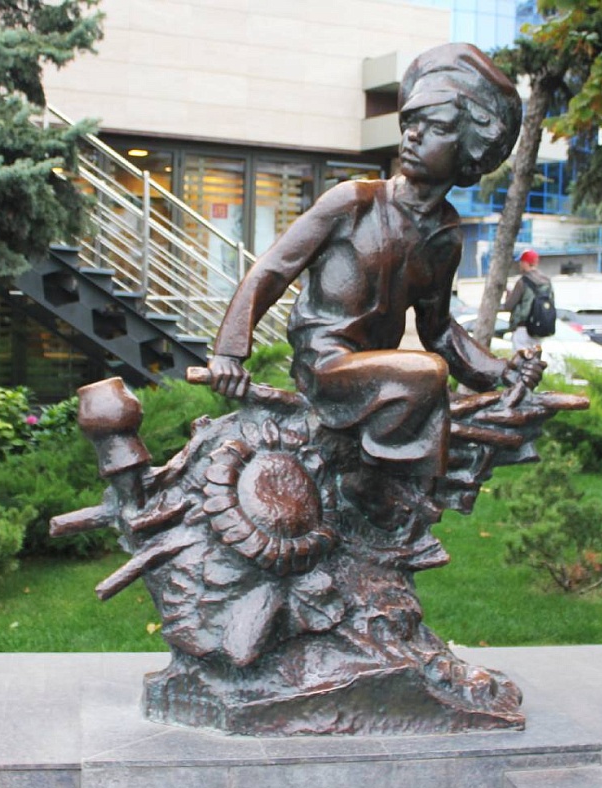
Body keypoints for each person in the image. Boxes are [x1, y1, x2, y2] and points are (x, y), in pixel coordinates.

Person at [205, 42, 544, 486]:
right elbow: (272, 269)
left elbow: (439, 331)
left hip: (380, 376)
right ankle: (390, 491)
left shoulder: (444, 236)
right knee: (427, 375)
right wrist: (229, 352)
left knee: (426, 378)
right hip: (326, 366)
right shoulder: (353, 201)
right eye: (411, 123)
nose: (412, 136)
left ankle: (381, 485)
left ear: (468, 148)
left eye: (435, 127)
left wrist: (502, 370)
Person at [501, 250, 555, 351]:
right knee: (534, 358)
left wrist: (508, 295)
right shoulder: (547, 282)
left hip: (523, 329)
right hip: (540, 329)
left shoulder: (523, 282)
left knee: (520, 359)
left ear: (526, 263)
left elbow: (509, 306)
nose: (519, 265)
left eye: (521, 262)